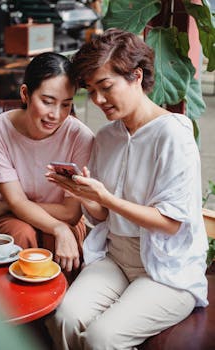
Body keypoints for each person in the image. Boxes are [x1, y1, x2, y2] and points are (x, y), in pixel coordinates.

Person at [45, 29, 209, 349]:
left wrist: (105, 197)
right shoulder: (106, 137)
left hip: (165, 270)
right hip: (116, 257)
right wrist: (87, 197)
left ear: (136, 76)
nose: (98, 100)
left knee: (101, 337)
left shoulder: (173, 134)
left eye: (105, 87)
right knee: (64, 317)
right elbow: (103, 214)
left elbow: (170, 222)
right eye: (91, 90)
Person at [0, 52, 94, 273]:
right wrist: (57, 226)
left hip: (56, 212)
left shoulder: (81, 137)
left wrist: (6, 203)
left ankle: (58, 306)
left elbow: (71, 213)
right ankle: (15, 305)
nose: (56, 115)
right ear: (25, 94)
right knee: (21, 234)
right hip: (12, 214)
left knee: (55, 241)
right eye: (47, 102)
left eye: (66, 105)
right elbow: (17, 202)